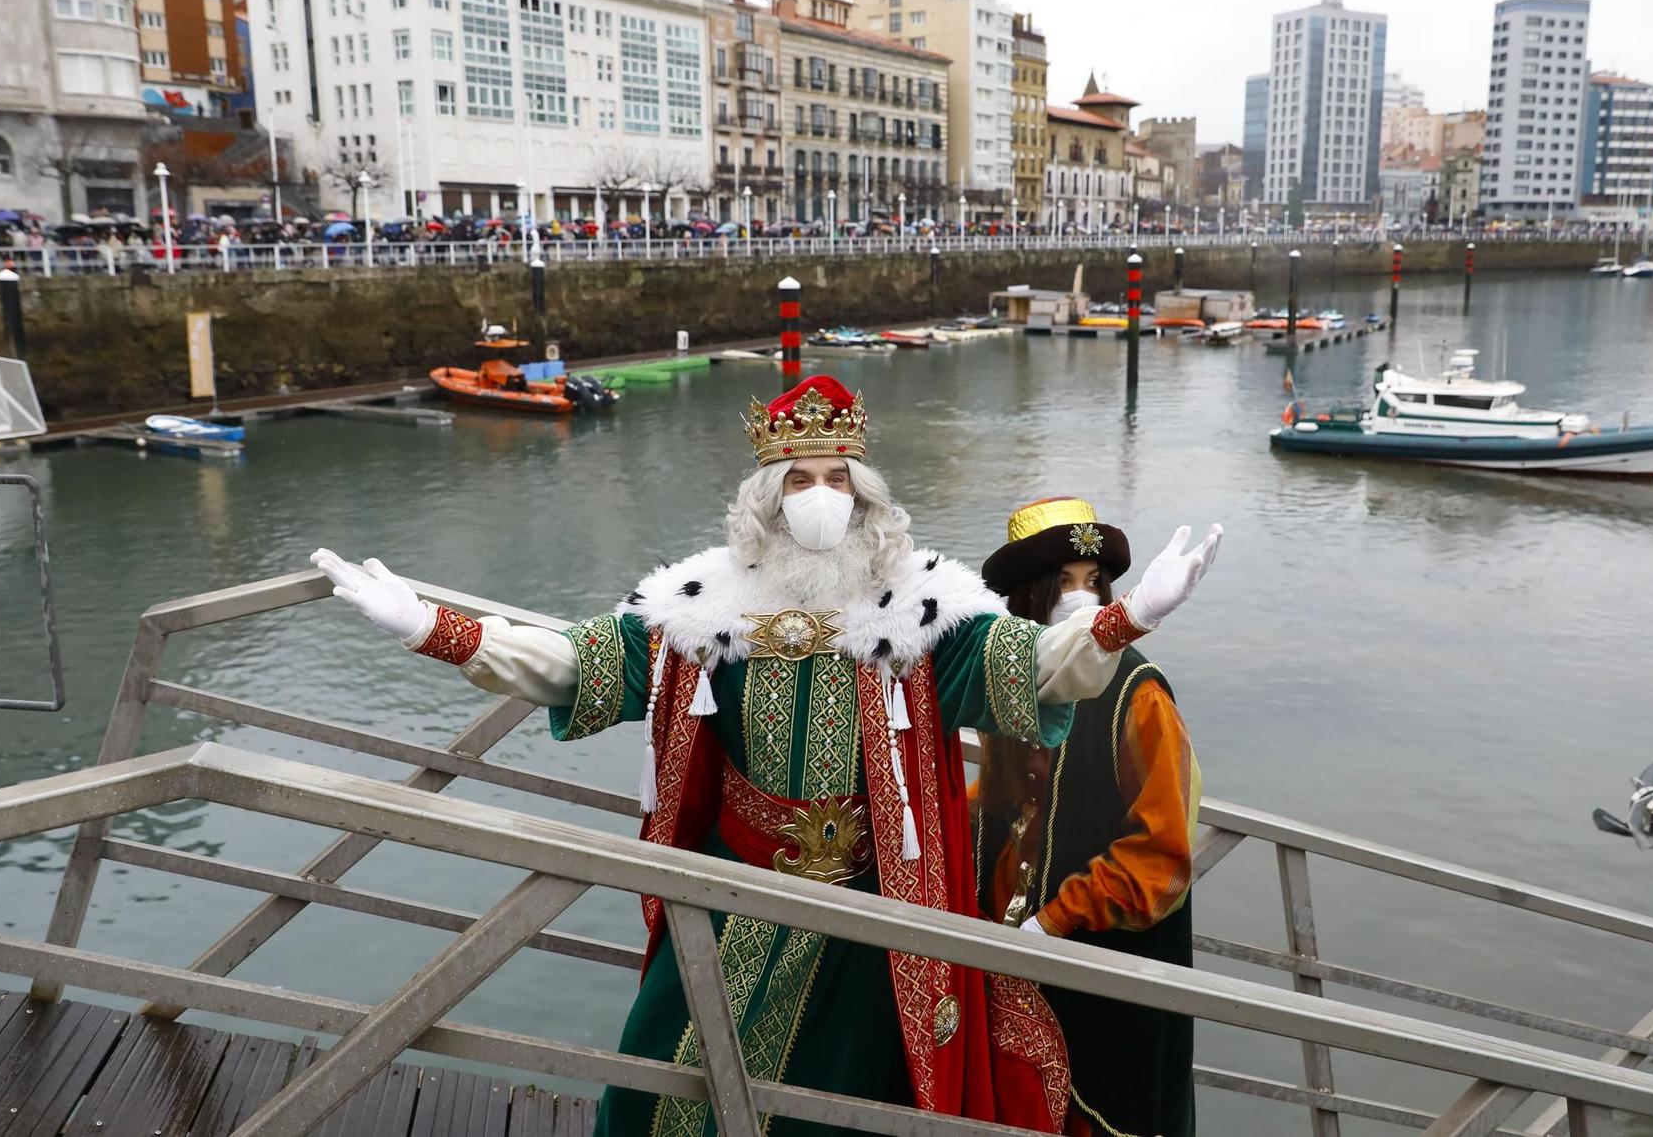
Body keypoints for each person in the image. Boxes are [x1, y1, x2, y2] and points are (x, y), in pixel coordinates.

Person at [313, 377, 1222, 1137]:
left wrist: (1129, 615)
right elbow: (571, 662)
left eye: (836, 477)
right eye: (799, 479)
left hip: (876, 905)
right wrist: (435, 629)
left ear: (863, 494)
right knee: (669, 1075)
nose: (820, 497)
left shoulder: (921, 610)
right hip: (736, 887)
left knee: (860, 1094)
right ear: (767, 496)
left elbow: (1038, 667)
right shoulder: (702, 607)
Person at [973, 498, 1201, 1137]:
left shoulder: (1140, 694)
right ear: (1027, 599)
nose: (1080, 600)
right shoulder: (1014, 682)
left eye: (1093, 583)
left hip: (1099, 964)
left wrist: (1054, 921)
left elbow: (1161, 854)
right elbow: (997, 802)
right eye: (1062, 584)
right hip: (1006, 959)